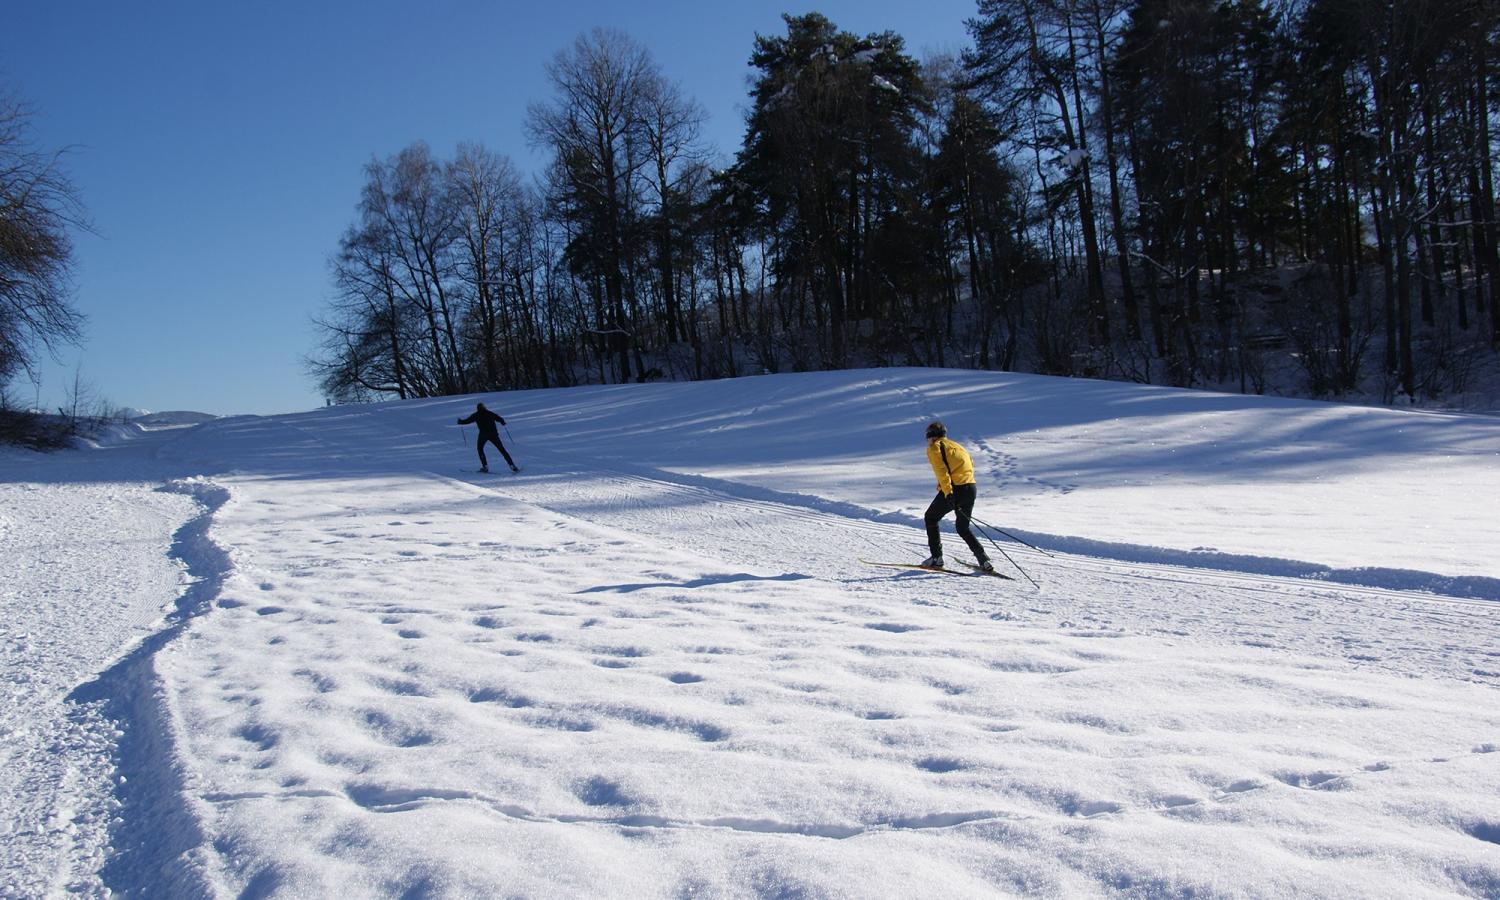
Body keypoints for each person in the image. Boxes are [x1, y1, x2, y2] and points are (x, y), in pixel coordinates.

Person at [920, 421, 993, 572]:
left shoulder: (935, 447)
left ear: (931, 436)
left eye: (927, 436)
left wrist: (947, 492)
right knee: (963, 527)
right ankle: (983, 560)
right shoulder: (958, 446)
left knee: (931, 518)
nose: (927, 440)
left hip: (954, 489)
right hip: (971, 488)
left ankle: (936, 558)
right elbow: (969, 464)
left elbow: (942, 471)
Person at [457, 402, 518, 473]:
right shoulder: (490, 413)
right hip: (493, 434)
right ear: (484, 407)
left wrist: (461, 422)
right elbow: (499, 418)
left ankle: (485, 467)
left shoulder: (476, 415)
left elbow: (468, 421)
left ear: (478, 409)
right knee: (502, 450)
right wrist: (502, 422)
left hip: (483, 435)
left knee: (480, 449)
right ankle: (512, 465)